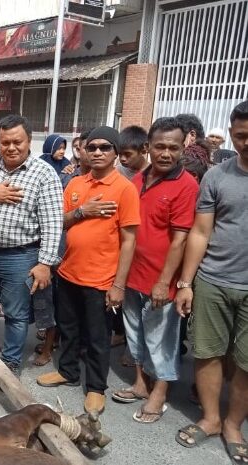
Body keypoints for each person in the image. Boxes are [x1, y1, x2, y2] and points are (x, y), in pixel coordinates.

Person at [37, 126, 140, 416]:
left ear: (116, 153)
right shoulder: (75, 184)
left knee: (97, 336)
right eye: (91, 147)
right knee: (68, 329)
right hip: (69, 272)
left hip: (101, 278)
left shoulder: (124, 189)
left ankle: (96, 387)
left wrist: (119, 285)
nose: (96, 152)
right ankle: (68, 372)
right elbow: (62, 222)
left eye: (104, 147)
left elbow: (130, 239)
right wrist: (83, 211)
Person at [174, 101, 248, 464]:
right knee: (207, 352)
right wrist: (186, 282)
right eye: (241, 136)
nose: (247, 142)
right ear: (232, 133)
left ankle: (234, 425)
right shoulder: (217, 177)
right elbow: (200, 232)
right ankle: (212, 419)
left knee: (247, 362)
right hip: (214, 279)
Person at [111, 117, 198, 424]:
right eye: (160, 146)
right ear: (148, 147)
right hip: (131, 274)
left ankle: (160, 392)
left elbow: (180, 240)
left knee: (162, 338)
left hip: (161, 280)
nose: (166, 153)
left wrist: (165, 282)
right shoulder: (137, 179)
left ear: (183, 146)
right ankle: (140, 383)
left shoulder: (186, 185)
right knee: (135, 332)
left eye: (173, 147)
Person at [0, 115, 63, 375]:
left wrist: (45, 264)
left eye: (17, 142)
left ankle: (10, 361)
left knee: (15, 312)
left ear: (29, 141)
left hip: (21, 256)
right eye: (5, 142)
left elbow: (53, 222)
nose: (10, 147)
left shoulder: (44, 174)